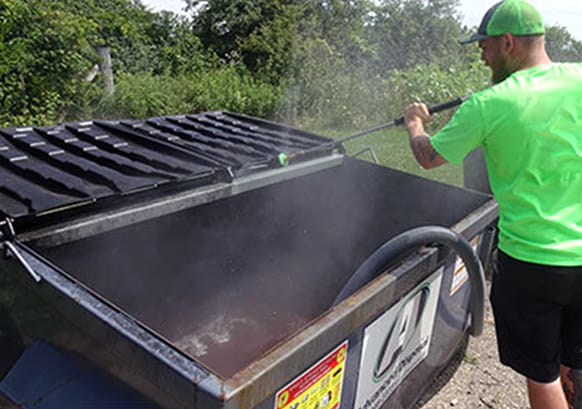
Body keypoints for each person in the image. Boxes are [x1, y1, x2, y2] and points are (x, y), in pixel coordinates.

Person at [402, 0, 582, 408]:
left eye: (484, 44)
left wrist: (415, 123)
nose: (481, 53)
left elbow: (429, 156)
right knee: (577, 362)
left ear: (507, 41)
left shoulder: (489, 105)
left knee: (544, 374)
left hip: (534, 262)